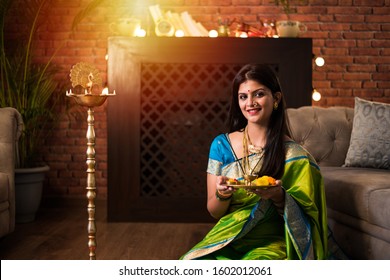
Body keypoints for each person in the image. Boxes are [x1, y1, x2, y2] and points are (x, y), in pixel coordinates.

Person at [180, 64, 328, 260]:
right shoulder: (221, 145)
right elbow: (214, 211)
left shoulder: (295, 156)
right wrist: (222, 195)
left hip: (272, 243)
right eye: (243, 97)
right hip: (227, 239)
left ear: (276, 99)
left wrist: (279, 196)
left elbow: (309, 220)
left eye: (258, 94)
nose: (250, 103)